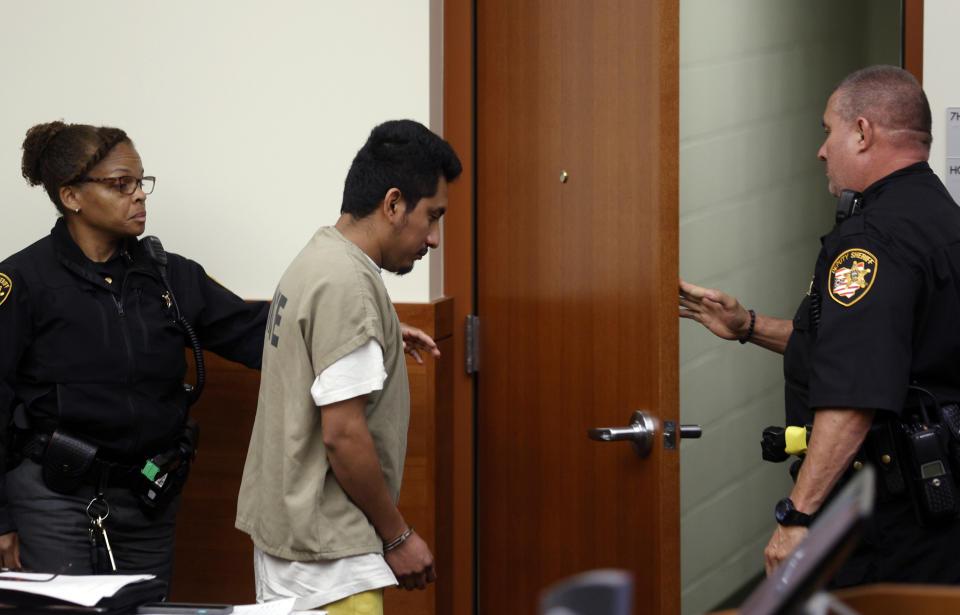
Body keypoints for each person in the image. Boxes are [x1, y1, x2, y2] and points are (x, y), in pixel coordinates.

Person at [679, 65, 960, 587]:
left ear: (861, 131)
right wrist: (749, 325)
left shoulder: (873, 241)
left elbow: (856, 391)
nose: (822, 151)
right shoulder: (938, 216)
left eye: (827, 131)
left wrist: (798, 517)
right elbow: (877, 347)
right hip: (937, 518)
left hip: (887, 522)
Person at [0, 121, 268, 585]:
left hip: (148, 495)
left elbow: (258, 334)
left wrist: (358, 330)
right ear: (71, 197)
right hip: (55, 498)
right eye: (120, 184)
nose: (139, 195)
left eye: (141, 182)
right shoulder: (24, 281)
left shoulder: (168, 276)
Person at [235, 119, 461, 614]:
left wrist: (377, 331)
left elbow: (313, 344)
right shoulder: (350, 288)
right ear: (394, 203)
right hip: (331, 566)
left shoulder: (318, 259)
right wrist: (398, 535)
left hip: (292, 550)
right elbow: (343, 434)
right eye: (433, 216)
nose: (435, 238)